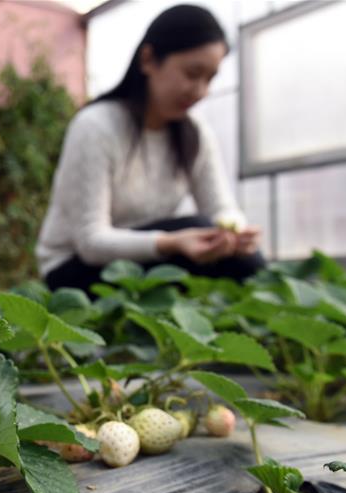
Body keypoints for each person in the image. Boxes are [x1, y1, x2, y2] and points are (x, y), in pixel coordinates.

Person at [36, 4, 265, 294]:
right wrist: (171, 243)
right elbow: (91, 243)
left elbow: (220, 208)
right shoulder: (96, 126)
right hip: (74, 270)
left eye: (210, 78)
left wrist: (234, 234)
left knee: (239, 256)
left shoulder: (194, 132)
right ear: (148, 60)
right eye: (192, 73)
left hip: (144, 258)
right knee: (196, 228)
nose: (200, 91)